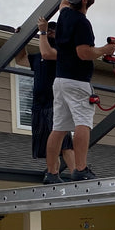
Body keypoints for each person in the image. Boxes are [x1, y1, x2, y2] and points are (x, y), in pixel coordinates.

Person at [43, 0, 115, 184]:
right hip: (77, 81)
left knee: (58, 127)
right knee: (83, 122)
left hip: (60, 81)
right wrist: (105, 50)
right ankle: (80, 168)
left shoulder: (65, 15)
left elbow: (64, 1)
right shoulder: (82, 23)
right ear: (84, 0)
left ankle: (51, 173)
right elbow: (84, 53)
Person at [28, 19, 76, 180]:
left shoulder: (62, 52)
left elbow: (46, 53)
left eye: (52, 31)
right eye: (49, 31)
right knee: (50, 143)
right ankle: (52, 173)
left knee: (65, 142)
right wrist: (23, 37)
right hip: (39, 105)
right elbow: (20, 58)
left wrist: (41, 32)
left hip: (55, 102)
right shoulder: (37, 57)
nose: (49, 33)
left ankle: (76, 173)